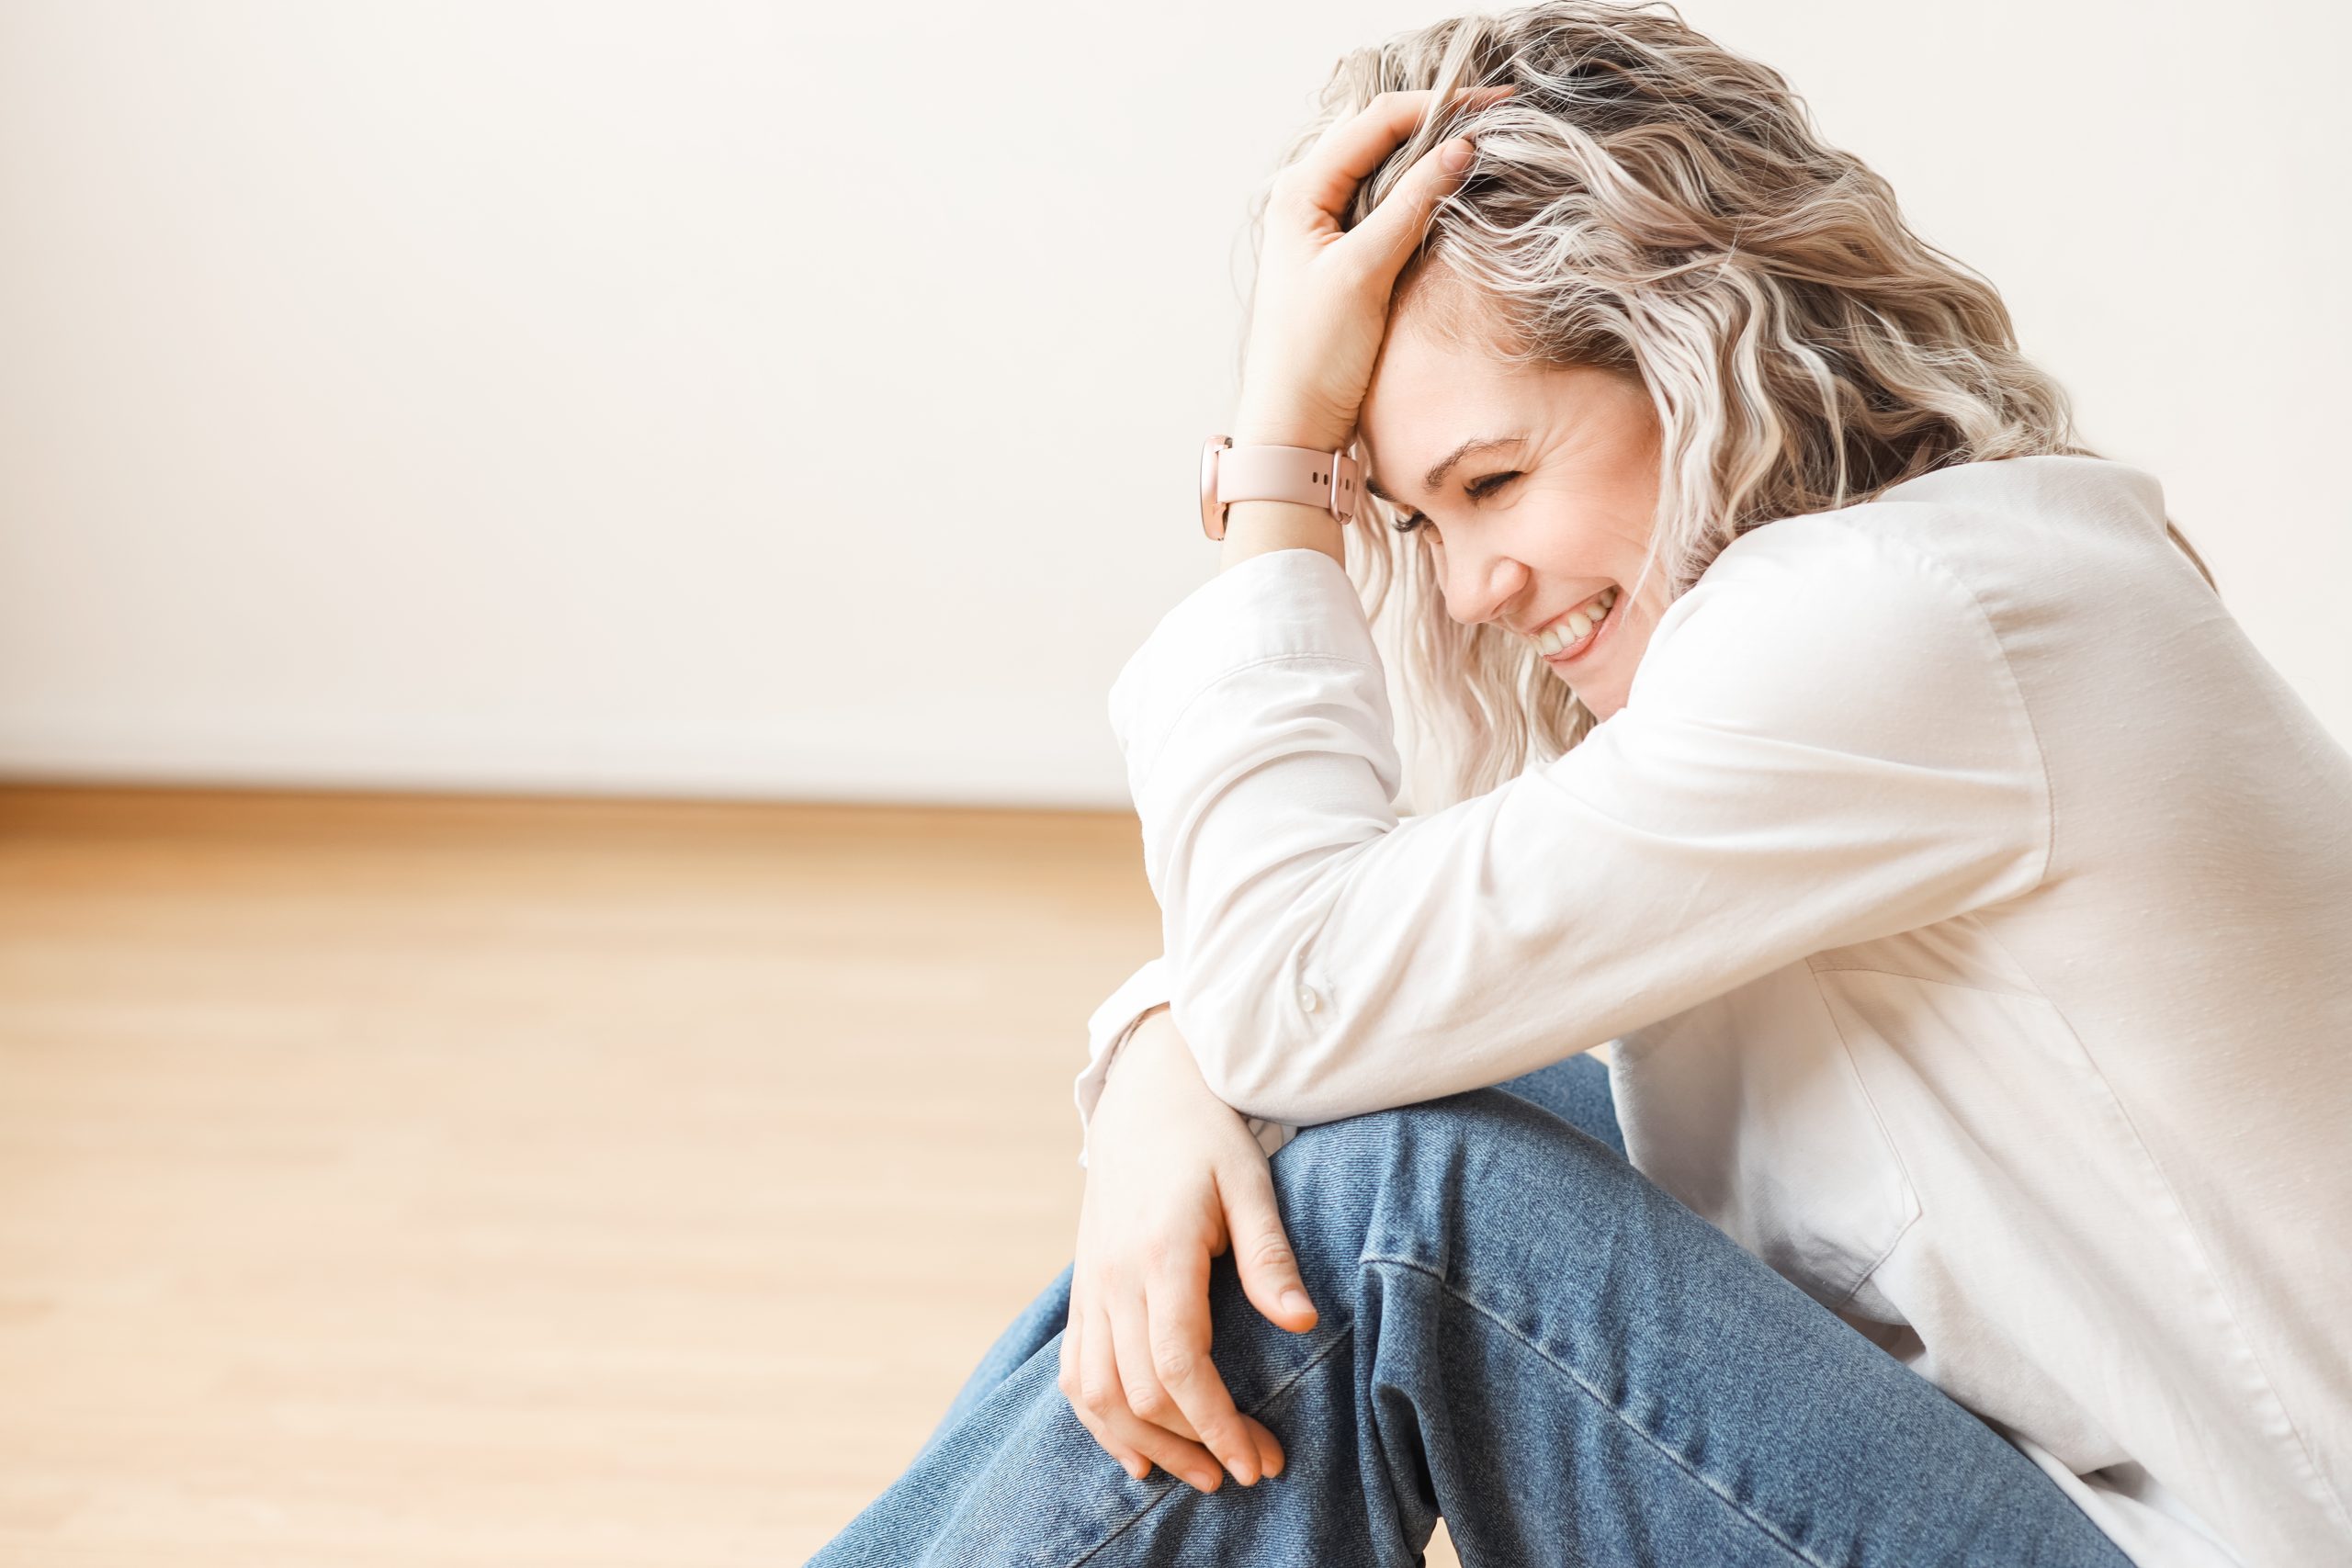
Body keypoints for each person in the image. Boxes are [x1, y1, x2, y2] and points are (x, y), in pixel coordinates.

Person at [809, 4, 2352, 1563]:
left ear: (1702, 346)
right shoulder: (1943, 587)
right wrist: (1172, 1056)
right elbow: (1384, 966)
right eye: (1423, 521)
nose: (1469, 585)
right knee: (1292, 1174)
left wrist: (1277, 459)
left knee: (1386, 1215)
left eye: (1493, 481)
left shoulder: (1893, 622)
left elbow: (1301, 991)